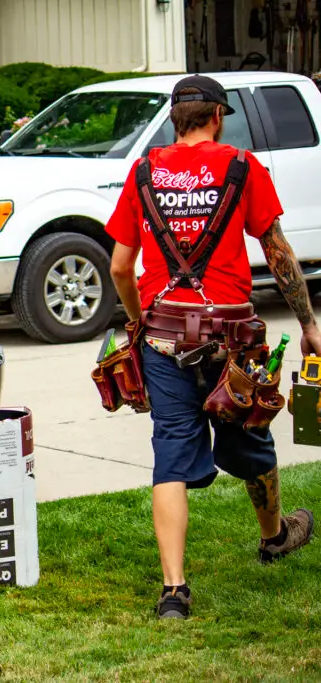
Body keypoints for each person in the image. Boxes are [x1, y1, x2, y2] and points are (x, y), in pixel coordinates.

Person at [105, 74, 319, 620]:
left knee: (171, 455)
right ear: (219, 116)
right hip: (232, 338)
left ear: (174, 118)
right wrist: (310, 323)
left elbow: (119, 267)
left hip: (163, 336)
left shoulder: (145, 171)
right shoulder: (242, 167)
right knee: (249, 431)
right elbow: (276, 252)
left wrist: (139, 323)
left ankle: (174, 591)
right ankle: (275, 537)